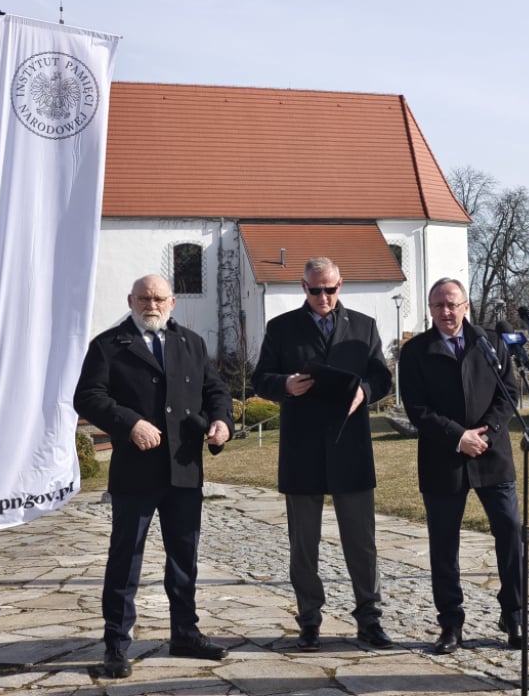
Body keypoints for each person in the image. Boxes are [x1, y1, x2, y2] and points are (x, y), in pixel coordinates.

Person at [74, 274, 234, 679]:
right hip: (136, 472)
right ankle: (116, 644)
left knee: (184, 558)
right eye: (144, 298)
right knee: (125, 559)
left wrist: (221, 421)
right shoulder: (108, 346)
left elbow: (216, 390)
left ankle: (185, 633)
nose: (152, 305)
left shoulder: (190, 343)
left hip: (184, 469)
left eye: (159, 298)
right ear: (131, 299)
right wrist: (129, 423)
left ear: (173, 302)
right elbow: (87, 396)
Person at [252, 257, 394, 652]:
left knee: (362, 544)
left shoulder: (364, 326)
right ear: (303, 288)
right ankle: (309, 621)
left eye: (330, 289)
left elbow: (382, 375)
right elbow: (260, 378)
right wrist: (285, 385)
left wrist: (366, 391)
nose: (324, 297)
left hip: (351, 449)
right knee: (304, 545)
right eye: (316, 290)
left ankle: (370, 620)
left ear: (340, 284)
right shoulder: (280, 329)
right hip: (302, 451)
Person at [398, 277, 525, 654]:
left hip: (492, 454)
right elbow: (417, 409)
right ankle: (450, 623)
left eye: (453, 304)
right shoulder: (417, 351)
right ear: (429, 309)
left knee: (510, 531)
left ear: (467, 305)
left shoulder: (490, 342)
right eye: (438, 305)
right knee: (444, 545)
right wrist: (458, 436)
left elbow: (510, 394)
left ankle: (514, 614)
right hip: (443, 458)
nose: (446, 311)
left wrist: (487, 432)